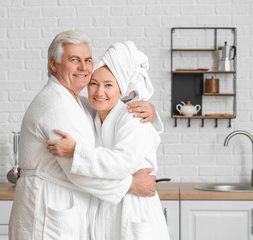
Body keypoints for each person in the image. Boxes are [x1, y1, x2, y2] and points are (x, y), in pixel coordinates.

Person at [8, 30, 160, 240]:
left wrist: (149, 109)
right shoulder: (56, 104)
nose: (83, 67)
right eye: (74, 60)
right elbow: (77, 171)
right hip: (47, 212)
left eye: (88, 60)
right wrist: (131, 185)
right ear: (54, 64)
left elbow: (108, 106)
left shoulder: (77, 102)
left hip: (68, 209)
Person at [46, 41, 170, 239]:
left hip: (135, 207)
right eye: (93, 84)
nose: (99, 92)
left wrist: (75, 151)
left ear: (121, 90)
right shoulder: (92, 111)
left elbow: (121, 163)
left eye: (108, 85)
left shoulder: (133, 116)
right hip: (107, 205)